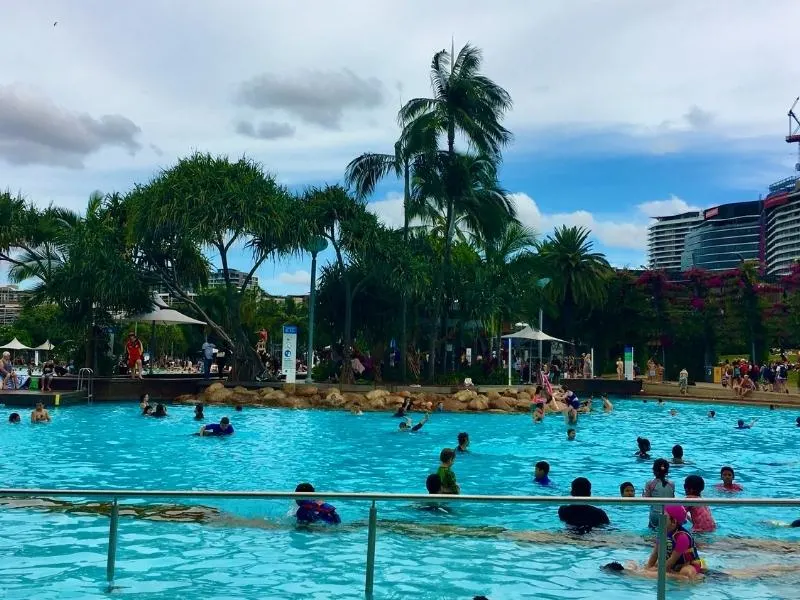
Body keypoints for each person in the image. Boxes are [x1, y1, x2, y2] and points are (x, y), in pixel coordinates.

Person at [645, 505, 705, 579]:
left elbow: (672, 560)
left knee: (686, 572)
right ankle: (675, 575)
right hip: (674, 565)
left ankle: (681, 577)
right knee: (656, 565)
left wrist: (652, 573)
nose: (661, 519)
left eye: (664, 517)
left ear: (673, 522)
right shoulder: (662, 532)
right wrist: (648, 568)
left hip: (689, 564)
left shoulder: (682, 537)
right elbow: (655, 554)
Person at [643, 458, 675, 529]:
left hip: (655, 514)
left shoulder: (650, 483)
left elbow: (646, 500)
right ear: (667, 471)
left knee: (652, 533)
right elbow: (672, 499)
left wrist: (643, 495)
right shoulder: (672, 484)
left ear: (654, 471)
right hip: (668, 514)